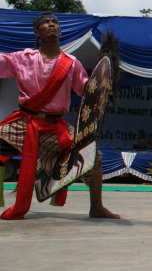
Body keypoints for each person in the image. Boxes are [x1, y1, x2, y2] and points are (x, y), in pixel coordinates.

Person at [0, 11, 119, 219]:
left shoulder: (71, 63)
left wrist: (102, 80)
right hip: (24, 123)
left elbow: (87, 93)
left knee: (95, 157)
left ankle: (97, 207)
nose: (52, 24)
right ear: (37, 31)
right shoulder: (22, 58)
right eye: (45, 22)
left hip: (55, 128)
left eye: (55, 21)